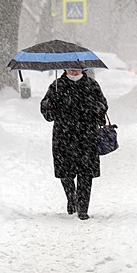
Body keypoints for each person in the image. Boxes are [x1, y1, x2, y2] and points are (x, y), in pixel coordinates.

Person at [40, 69, 108, 220]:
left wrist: (96, 107)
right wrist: (50, 104)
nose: (73, 71)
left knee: (86, 173)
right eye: (70, 68)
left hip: (87, 136)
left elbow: (103, 106)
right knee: (65, 172)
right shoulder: (57, 86)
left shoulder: (91, 85)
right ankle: (72, 198)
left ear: (82, 69)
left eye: (76, 68)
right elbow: (46, 110)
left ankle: (83, 208)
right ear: (64, 69)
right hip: (63, 135)